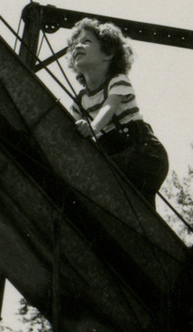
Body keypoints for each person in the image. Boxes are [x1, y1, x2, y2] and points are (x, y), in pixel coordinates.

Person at [67, 18, 168, 205]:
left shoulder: (118, 81)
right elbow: (70, 131)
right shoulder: (80, 101)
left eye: (86, 41)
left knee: (98, 180)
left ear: (108, 53)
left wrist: (92, 128)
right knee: (139, 212)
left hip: (144, 153)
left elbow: (109, 107)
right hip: (118, 158)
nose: (78, 46)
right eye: (75, 43)